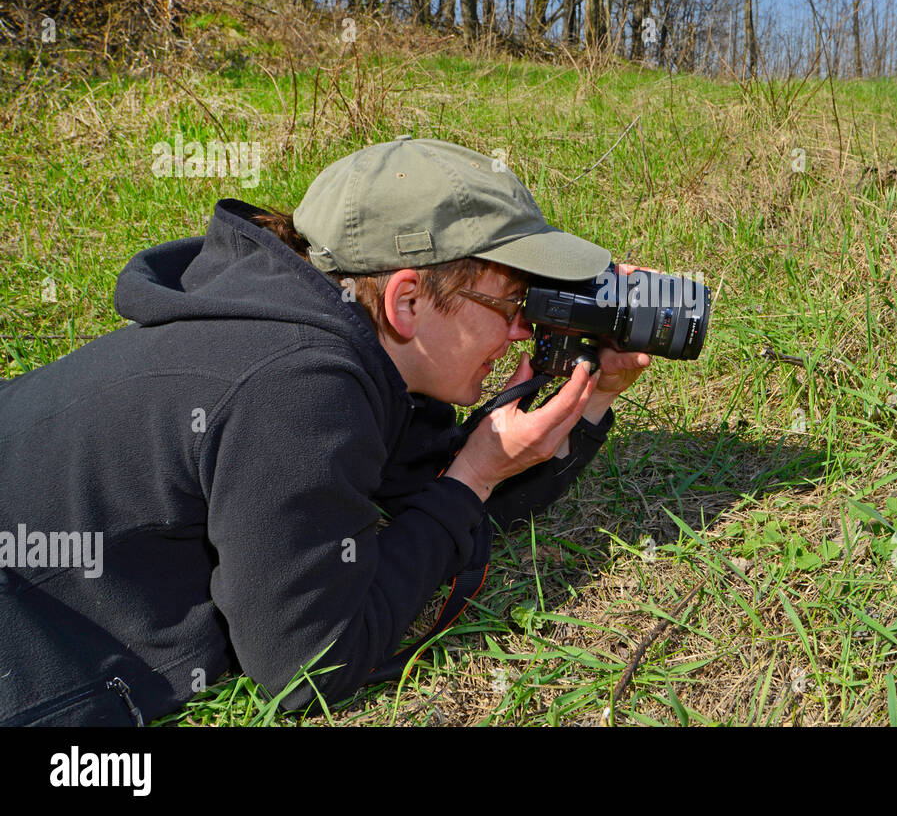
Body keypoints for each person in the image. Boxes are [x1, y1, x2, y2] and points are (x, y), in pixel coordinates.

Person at [0, 136, 650, 726]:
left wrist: (589, 400)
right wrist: (473, 476)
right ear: (407, 301)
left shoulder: (333, 336)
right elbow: (307, 666)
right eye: (512, 303)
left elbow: (439, 500)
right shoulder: (298, 389)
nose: (522, 330)